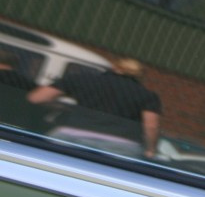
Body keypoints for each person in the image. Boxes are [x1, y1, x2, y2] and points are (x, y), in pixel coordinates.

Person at [28, 57, 161, 159]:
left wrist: (63, 107)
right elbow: (151, 126)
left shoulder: (81, 79)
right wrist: (151, 150)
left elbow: (37, 98)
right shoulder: (147, 95)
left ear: (114, 67)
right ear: (140, 75)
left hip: (71, 135)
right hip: (120, 145)